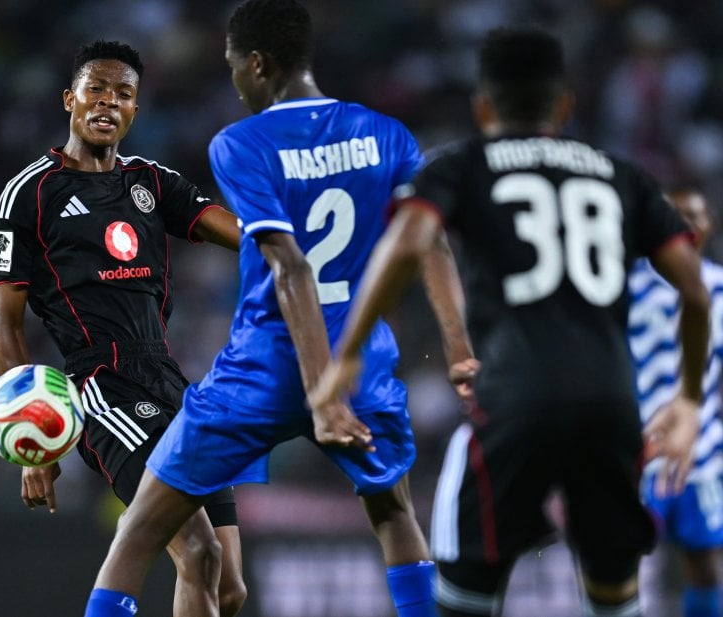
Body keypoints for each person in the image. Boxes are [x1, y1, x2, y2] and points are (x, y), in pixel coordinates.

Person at [309, 26, 710, 617]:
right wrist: (690, 399)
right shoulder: (619, 174)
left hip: (514, 399)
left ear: (483, 105)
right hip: (610, 402)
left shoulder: (465, 165)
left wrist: (347, 353)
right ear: (565, 104)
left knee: (469, 594)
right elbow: (696, 293)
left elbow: (409, 241)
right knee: (613, 592)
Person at [83, 1, 462, 615]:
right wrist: (459, 349)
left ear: (256, 64)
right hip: (358, 363)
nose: (234, 84)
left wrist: (319, 393)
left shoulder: (241, 142)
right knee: (394, 515)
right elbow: (432, 241)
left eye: (235, 68)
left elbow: (290, 265)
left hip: (261, 370)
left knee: (142, 530)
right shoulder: (387, 134)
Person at [0, 40, 247, 617]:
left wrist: (296, 241)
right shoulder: (29, 192)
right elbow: (5, 323)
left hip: (171, 379)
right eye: (96, 90)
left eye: (122, 94)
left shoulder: (151, 182)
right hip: (102, 384)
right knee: (197, 551)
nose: (108, 102)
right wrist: (30, 444)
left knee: (229, 587)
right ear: (69, 101)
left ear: (135, 109)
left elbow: (240, 234)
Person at [629, 187, 723, 617]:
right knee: (623, 563)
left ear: (709, 225)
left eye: (695, 216)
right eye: (677, 216)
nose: (687, 225)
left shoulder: (720, 289)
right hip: (636, 449)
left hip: (704, 454)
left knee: (704, 566)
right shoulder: (626, 288)